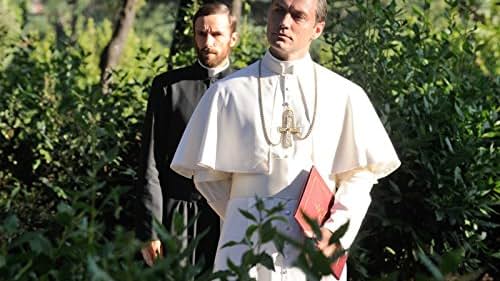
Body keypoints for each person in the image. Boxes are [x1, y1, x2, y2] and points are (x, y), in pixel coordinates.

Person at [170, 0, 401, 280]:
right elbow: (209, 178)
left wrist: (333, 232)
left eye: (297, 15)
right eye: (278, 10)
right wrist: (246, 214)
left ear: (317, 28)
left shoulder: (344, 95)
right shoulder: (227, 93)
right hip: (246, 242)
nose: (284, 22)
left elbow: (359, 177)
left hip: (315, 244)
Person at [135, 1, 238, 269]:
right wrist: (151, 229)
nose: (207, 41)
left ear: (233, 38)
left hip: (229, 216)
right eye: (201, 33)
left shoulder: (248, 89)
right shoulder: (168, 87)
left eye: (216, 34)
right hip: (178, 217)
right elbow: (151, 162)